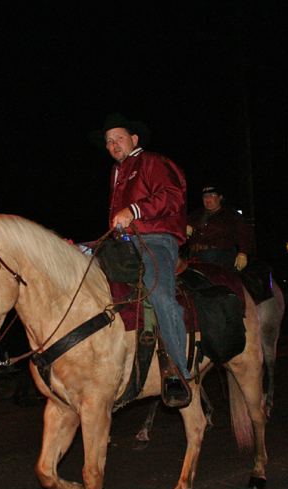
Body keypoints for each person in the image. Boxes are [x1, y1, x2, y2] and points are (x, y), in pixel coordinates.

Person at [94, 113, 191, 392]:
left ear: (134, 139)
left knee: (160, 294)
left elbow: (173, 196)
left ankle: (179, 370)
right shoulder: (117, 172)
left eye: (119, 138)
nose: (113, 145)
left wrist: (134, 211)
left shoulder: (153, 161)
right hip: (124, 244)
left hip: (156, 240)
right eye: (109, 141)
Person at [186, 185, 252, 271]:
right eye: (205, 196)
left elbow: (245, 235)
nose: (207, 199)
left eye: (212, 195)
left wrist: (243, 254)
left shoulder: (232, 215)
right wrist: (185, 227)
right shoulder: (196, 214)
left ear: (220, 197)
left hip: (220, 257)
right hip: (195, 256)